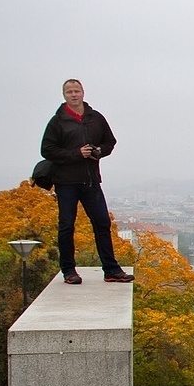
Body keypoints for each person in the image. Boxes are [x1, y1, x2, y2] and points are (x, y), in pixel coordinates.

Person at [40, 78, 134, 285]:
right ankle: (68, 270)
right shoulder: (57, 121)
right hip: (66, 182)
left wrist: (99, 152)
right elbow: (46, 150)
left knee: (102, 223)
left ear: (83, 93)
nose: (73, 95)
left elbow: (110, 141)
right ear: (64, 95)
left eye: (76, 91)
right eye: (69, 92)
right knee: (66, 226)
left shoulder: (96, 118)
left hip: (91, 181)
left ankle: (111, 270)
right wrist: (76, 153)